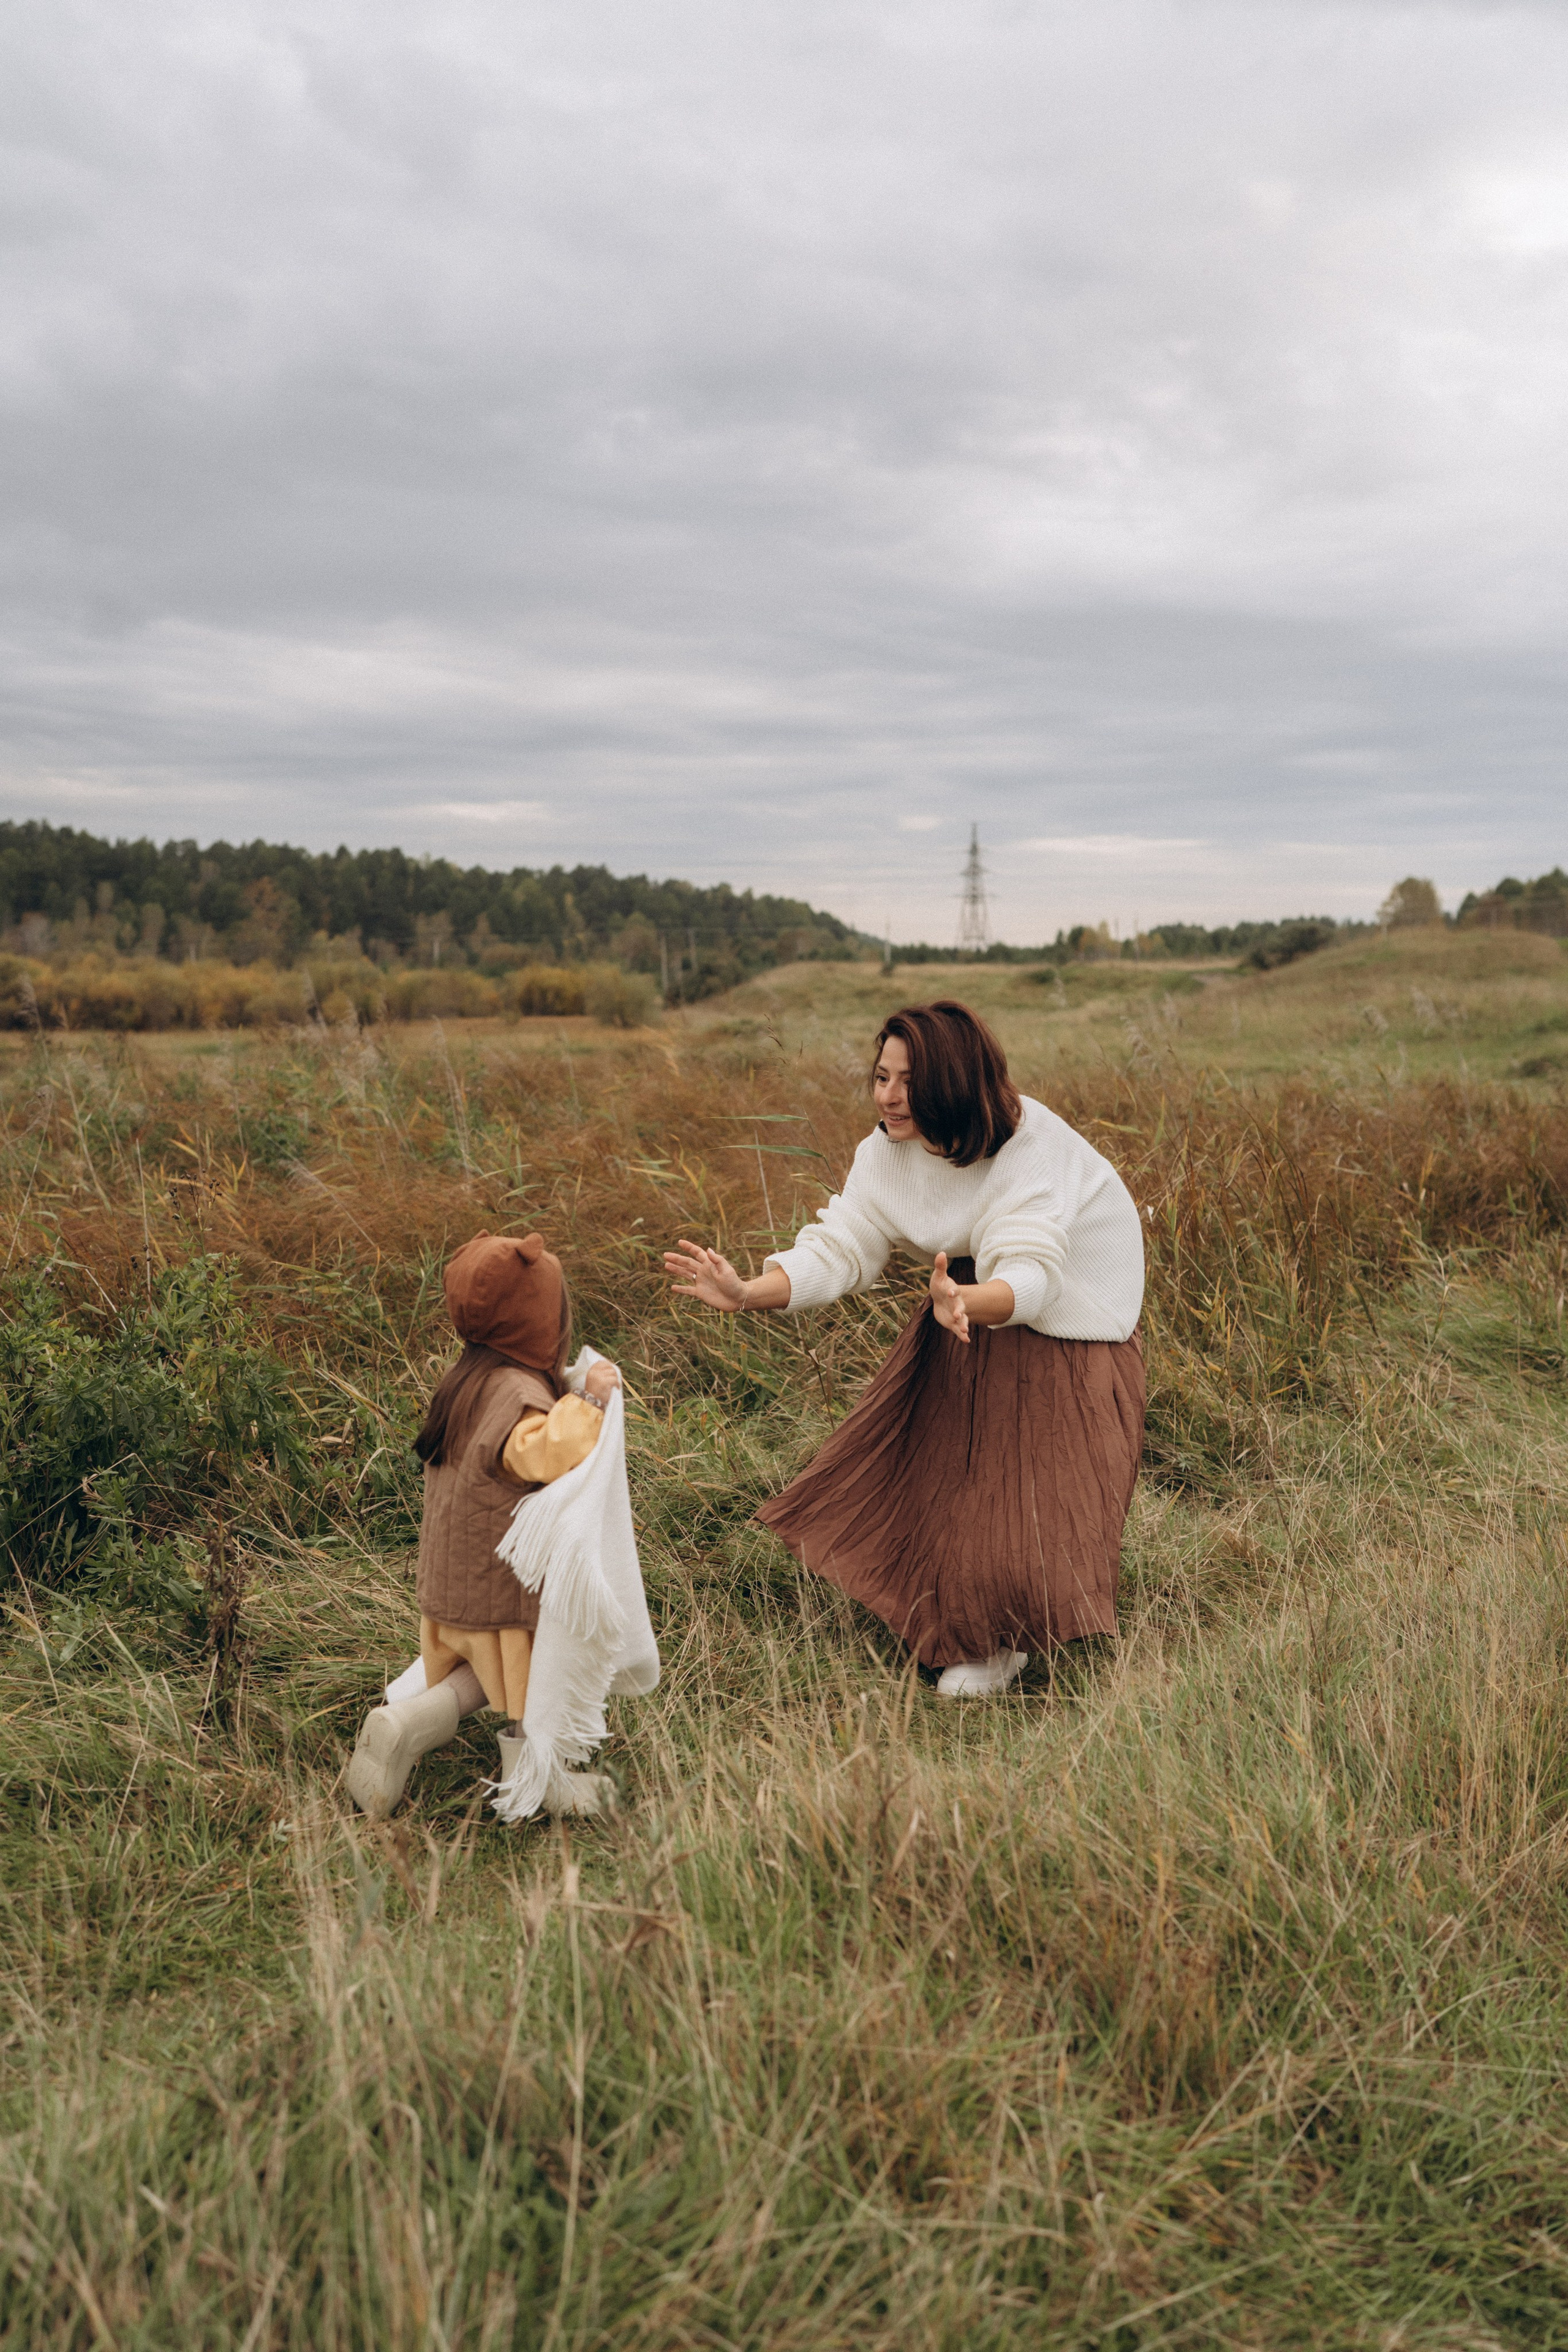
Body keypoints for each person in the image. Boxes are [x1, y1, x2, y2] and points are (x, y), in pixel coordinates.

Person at [665, 1001, 1145, 1694]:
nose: (887, 1097)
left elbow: (1034, 1273)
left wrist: (966, 1302)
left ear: (951, 1082)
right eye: (880, 1076)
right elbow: (840, 1246)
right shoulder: (883, 1154)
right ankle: (957, 1617)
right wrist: (746, 1292)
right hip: (970, 1298)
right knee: (939, 1460)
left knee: (1027, 1485)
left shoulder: (1027, 1146)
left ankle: (1003, 1641)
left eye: (907, 1082)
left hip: (1072, 1317)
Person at [346, 1229, 622, 1819]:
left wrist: (567, 1389)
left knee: (482, 1673)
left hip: (452, 1582)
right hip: (500, 1587)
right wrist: (592, 1404)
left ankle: (406, 1723)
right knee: (529, 1686)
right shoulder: (519, 1394)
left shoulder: (468, 1380)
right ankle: (534, 1784)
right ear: (538, 1324)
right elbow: (541, 1451)